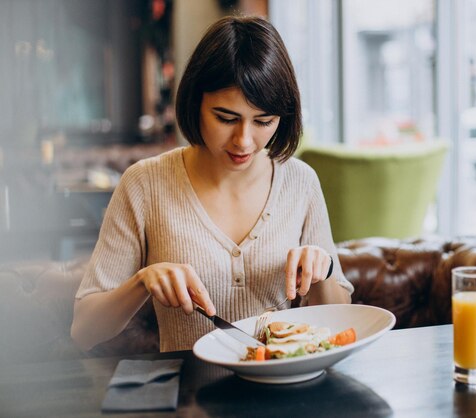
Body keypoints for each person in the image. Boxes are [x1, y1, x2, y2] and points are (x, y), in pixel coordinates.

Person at [71, 16, 353, 353]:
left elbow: (344, 322)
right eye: (226, 118)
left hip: (284, 395)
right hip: (190, 397)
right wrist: (142, 281)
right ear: (196, 102)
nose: (244, 140)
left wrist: (325, 269)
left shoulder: (300, 182)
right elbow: (84, 330)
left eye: (264, 121)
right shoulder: (144, 184)